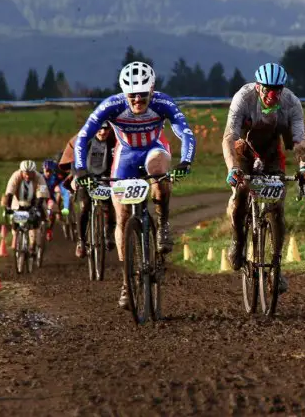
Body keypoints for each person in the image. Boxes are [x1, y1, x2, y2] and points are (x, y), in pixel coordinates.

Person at [74, 61, 196, 309]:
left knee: (159, 171)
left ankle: (162, 225)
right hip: (126, 156)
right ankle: (127, 281)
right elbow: (84, 135)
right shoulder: (113, 105)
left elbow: (185, 132)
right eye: (133, 95)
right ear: (124, 93)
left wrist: (185, 161)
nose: (138, 100)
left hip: (154, 149)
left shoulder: (163, 103)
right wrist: (80, 169)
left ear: (152, 91)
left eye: (143, 94)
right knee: (121, 217)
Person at [221, 62, 305, 294]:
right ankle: (238, 241)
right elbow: (228, 137)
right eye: (267, 89)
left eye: (278, 89)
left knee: (277, 206)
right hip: (244, 150)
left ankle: (276, 267)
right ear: (258, 87)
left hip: (273, 152)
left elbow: (299, 141)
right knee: (242, 191)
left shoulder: (291, 103)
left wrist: (303, 168)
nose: (272, 95)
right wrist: (233, 169)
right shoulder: (243, 98)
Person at [68, 121, 118, 259]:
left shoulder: (113, 142)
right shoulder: (86, 141)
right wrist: (77, 176)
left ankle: (109, 234)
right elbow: (75, 162)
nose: (103, 133)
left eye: (106, 130)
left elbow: (118, 160)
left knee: (111, 204)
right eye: (100, 130)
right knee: (85, 207)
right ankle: (81, 241)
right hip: (86, 176)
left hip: (105, 176)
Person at [1, 160, 50, 256]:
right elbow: (10, 193)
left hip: (35, 200)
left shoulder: (39, 177)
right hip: (18, 200)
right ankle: (17, 237)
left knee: (36, 217)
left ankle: (33, 244)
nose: (28, 176)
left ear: (34, 172)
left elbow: (42, 194)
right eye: (26, 173)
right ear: (21, 172)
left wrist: (37, 209)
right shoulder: (15, 176)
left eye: (30, 174)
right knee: (15, 219)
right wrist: (8, 208)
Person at [40, 158, 67, 242]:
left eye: (50, 171)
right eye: (46, 171)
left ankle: (49, 230)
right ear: (43, 169)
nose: (48, 173)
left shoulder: (55, 178)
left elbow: (64, 182)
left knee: (52, 211)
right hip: (39, 198)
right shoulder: (39, 177)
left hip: (50, 198)